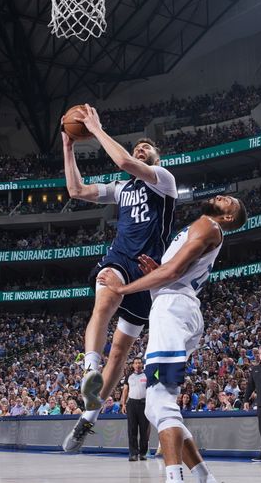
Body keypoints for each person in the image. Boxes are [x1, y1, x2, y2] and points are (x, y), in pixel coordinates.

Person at [99, 193, 246, 483]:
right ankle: (205, 477)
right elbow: (175, 273)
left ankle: (174, 478)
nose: (223, 196)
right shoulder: (204, 227)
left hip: (174, 308)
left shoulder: (208, 226)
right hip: (177, 307)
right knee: (155, 407)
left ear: (227, 217)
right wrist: (159, 274)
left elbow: (173, 271)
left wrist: (122, 290)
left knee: (161, 401)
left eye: (230, 201)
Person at [61, 104, 177, 452]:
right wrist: (68, 148)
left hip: (148, 271)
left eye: (147, 149)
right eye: (138, 146)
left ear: (155, 158)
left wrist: (95, 129)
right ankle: (89, 370)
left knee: (122, 353)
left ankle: (88, 419)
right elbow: (76, 191)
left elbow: (126, 162)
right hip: (120, 257)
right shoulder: (120, 188)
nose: (142, 150)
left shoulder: (163, 179)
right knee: (105, 299)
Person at [121, 357, 149, 461]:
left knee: (143, 430)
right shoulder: (129, 376)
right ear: (133, 365)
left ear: (142, 365)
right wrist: (123, 404)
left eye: (139, 363)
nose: (137, 365)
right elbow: (125, 390)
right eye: (135, 363)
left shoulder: (146, 375)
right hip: (131, 404)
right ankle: (133, 453)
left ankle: (142, 453)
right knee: (132, 430)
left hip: (144, 404)